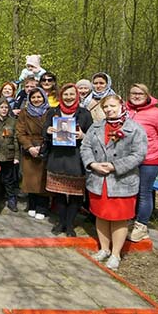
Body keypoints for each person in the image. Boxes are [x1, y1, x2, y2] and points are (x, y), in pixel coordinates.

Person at [81, 95, 147, 272]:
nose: (109, 109)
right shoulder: (96, 127)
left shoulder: (134, 129)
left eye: (112, 106)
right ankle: (103, 249)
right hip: (98, 179)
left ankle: (115, 254)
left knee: (118, 218)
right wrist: (93, 164)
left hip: (121, 181)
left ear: (121, 105)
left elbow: (139, 154)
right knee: (101, 215)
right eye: (106, 107)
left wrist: (114, 166)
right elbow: (85, 147)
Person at [42, 84, 93, 236]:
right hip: (57, 157)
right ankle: (61, 222)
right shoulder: (53, 112)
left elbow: (92, 135)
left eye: (72, 94)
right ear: (61, 96)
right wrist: (48, 131)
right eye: (65, 94)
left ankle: (70, 224)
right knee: (59, 194)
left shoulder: (84, 113)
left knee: (76, 194)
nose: (69, 97)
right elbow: (44, 132)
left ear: (77, 95)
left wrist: (83, 136)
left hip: (76, 158)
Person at [126, 83, 158, 242]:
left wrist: (154, 151)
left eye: (140, 93)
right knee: (130, 190)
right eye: (133, 93)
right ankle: (130, 219)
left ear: (147, 96)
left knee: (144, 192)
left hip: (149, 159)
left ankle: (141, 225)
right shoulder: (126, 111)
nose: (136, 96)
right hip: (128, 159)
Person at [16, 87, 51, 220]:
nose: (36, 100)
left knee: (43, 179)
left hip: (45, 146)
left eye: (39, 97)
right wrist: (29, 147)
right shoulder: (24, 112)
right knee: (30, 179)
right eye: (33, 97)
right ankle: (32, 205)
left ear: (44, 98)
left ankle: (42, 207)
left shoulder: (50, 112)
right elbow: (20, 132)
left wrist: (44, 146)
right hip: (29, 148)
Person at [0, 98, 20, 213]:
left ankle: (11, 199)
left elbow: (16, 140)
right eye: (2, 107)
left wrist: (16, 156)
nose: (4, 109)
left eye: (6, 107)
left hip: (8, 155)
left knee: (9, 180)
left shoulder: (13, 122)